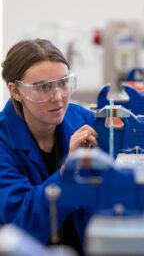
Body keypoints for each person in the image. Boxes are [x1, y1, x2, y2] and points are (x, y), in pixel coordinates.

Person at [0, 38, 97, 255]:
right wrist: (67, 172)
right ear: (15, 91)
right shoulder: (2, 142)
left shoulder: (84, 121)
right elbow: (22, 223)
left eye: (63, 82)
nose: (58, 97)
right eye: (43, 87)